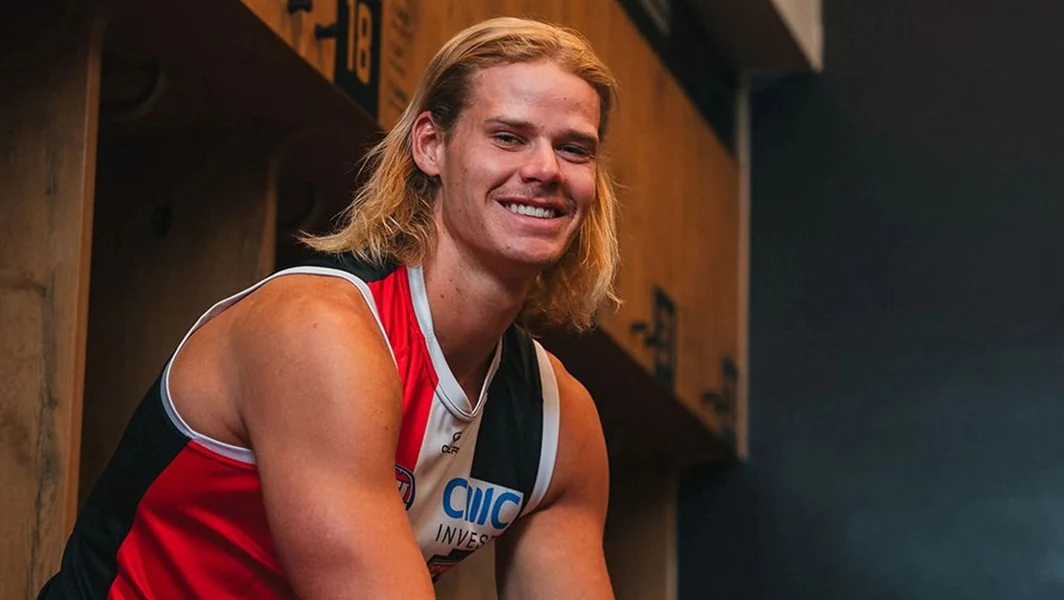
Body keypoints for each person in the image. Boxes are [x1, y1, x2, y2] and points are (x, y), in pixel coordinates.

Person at [41, 16, 621, 599]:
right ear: (430, 145)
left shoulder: (558, 422)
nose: (546, 169)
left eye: (574, 149)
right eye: (509, 137)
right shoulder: (321, 330)